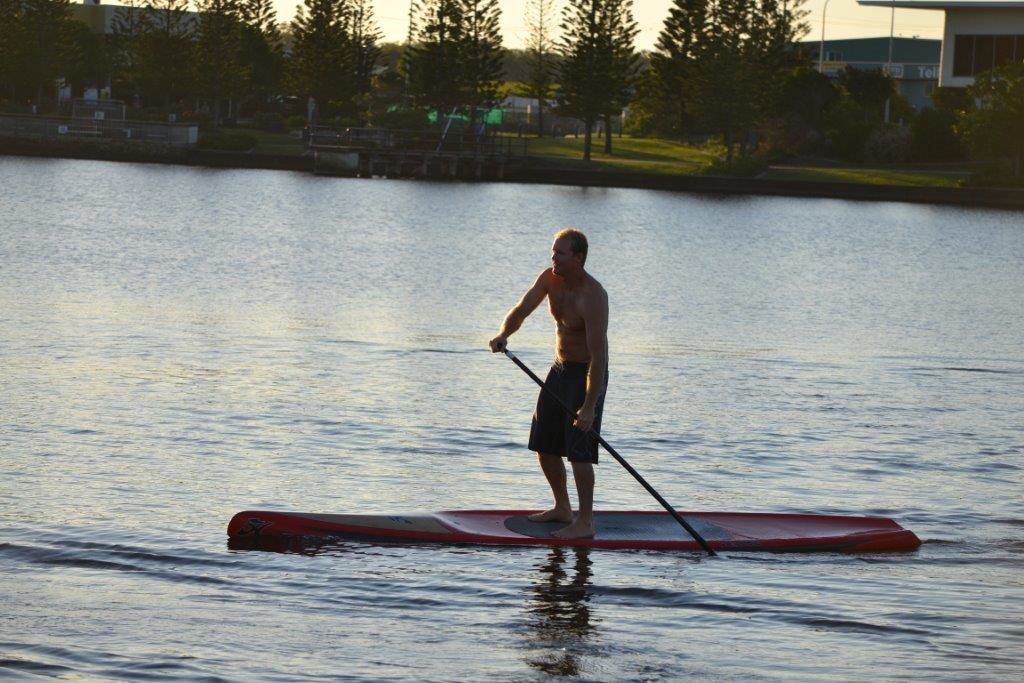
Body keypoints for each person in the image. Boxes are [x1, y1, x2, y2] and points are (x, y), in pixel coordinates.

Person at [489, 229, 609, 539]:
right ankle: (562, 507)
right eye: (552, 252)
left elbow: (599, 356)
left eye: (560, 254)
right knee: (543, 443)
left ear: (578, 258)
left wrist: (588, 407)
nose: (553, 258)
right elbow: (522, 309)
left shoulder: (593, 296)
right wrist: (504, 334)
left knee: (580, 451)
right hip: (559, 369)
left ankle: (585, 522)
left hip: (587, 373)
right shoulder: (549, 279)